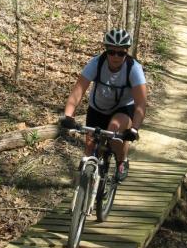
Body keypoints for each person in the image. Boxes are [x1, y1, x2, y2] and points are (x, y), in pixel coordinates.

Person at [60, 27, 147, 182]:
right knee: (90, 147)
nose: (116, 56)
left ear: (126, 53)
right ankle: (88, 189)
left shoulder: (134, 68)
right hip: (98, 108)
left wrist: (134, 129)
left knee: (114, 132)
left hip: (123, 108)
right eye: (111, 52)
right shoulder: (96, 63)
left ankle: (122, 161)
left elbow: (141, 103)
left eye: (121, 53)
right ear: (106, 51)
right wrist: (68, 116)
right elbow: (77, 92)